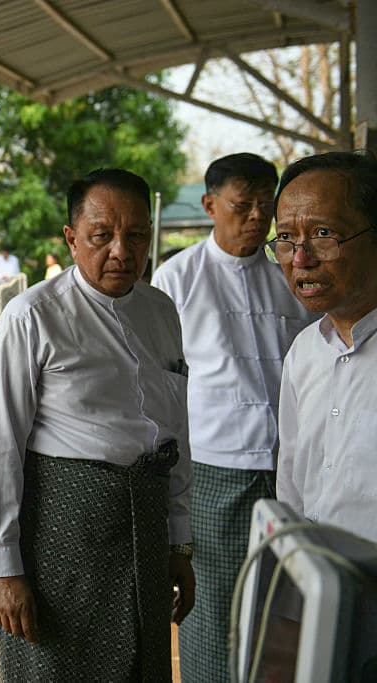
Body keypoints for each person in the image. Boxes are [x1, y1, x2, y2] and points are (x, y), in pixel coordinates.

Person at [0, 169, 194, 681]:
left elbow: (175, 432)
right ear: (72, 239)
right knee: (55, 668)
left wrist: (178, 543)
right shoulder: (32, 316)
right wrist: (5, 568)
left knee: (140, 668)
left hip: (143, 529)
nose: (121, 251)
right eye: (102, 236)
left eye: (136, 235)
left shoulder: (161, 310)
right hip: (60, 539)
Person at [150, 152, 316, 681]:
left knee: (284, 601)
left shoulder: (289, 273)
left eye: (265, 206)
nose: (255, 218)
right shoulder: (177, 278)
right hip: (214, 467)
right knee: (213, 603)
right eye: (241, 205)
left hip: (290, 465)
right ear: (209, 205)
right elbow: (159, 381)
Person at [272, 151, 377, 544]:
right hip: (318, 582)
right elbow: (292, 480)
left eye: (322, 235)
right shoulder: (304, 351)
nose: (300, 259)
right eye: (285, 238)